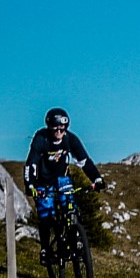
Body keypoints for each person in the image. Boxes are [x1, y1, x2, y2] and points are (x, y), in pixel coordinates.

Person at [23, 107, 105, 262]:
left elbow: (84, 161)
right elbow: (31, 164)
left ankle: (77, 243)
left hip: (62, 179)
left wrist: (97, 179)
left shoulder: (70, 139)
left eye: (63, 127)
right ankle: (45, 250)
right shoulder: (41, 139)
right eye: (55, 127)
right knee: (46, 216)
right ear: (49, 126)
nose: (59, 131)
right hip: (43, 181)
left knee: (71, 208)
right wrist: (30, 185)